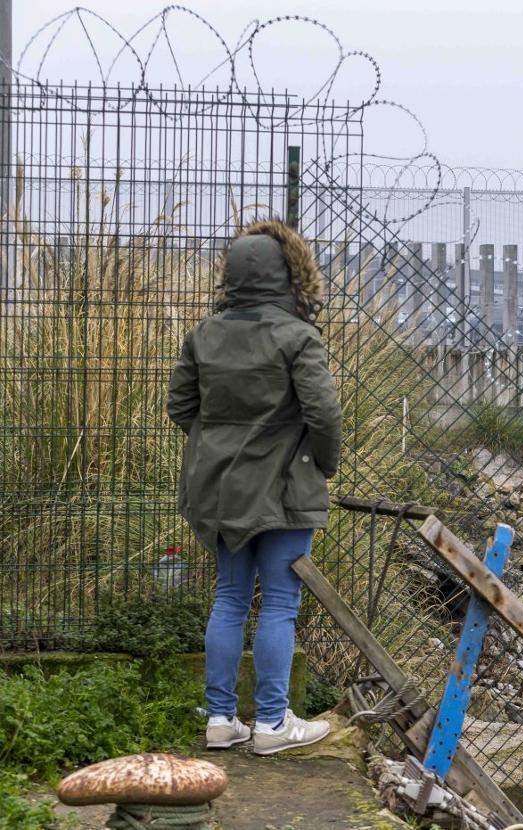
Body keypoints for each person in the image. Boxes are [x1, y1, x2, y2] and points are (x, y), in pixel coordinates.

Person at [167, 219, 342, 755]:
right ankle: (271, 724)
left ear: (232, 276)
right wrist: (322, 465)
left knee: (230, 599)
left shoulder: (204, 334)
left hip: (219, 491)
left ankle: (220, 720)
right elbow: (324, 415)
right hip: (286, 493)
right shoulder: (298, 336)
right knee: (280, 606)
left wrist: (219, 444)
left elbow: (181, 407)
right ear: (291, 273)